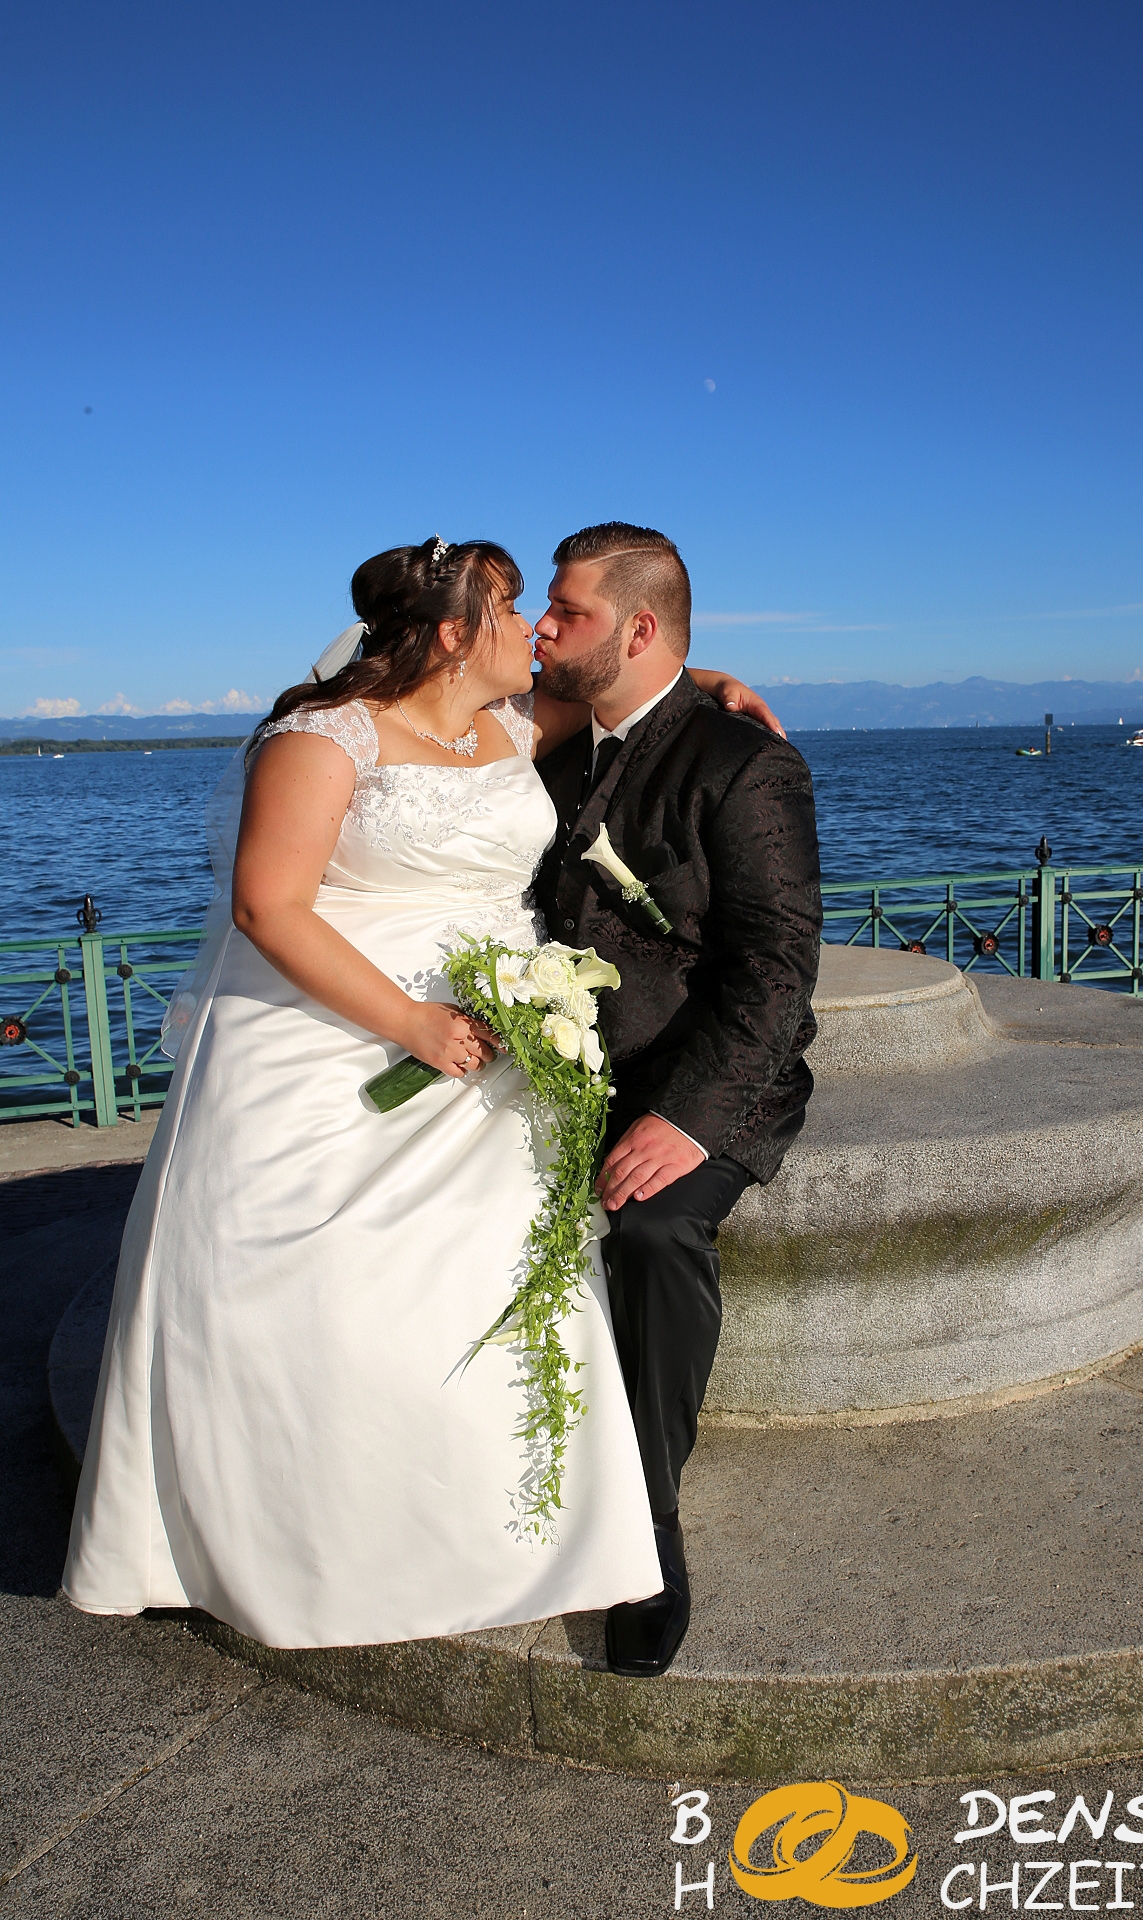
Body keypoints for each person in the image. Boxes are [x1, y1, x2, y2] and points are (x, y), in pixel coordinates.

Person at [62, 535, 782, 1651]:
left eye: (543, 612)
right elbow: (268, 907)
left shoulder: (506, 723)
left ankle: (526, 1530)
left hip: (499, 1049)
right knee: (312, 1296)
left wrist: (703, 682)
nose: (532, 631)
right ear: (452, 633)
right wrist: (409, 1024)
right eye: (510, 611)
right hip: (347, 1035)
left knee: (498, 1288)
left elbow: (628, 685)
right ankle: (270, 1535)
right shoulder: (321, 738)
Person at [532, 523, 823, 1678]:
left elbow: (775, 968)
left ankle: (647, 1526)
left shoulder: (746, 764)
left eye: (565, 613)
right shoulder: (543, 744)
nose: (539, 631)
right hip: (550, 1065)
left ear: (637, 628)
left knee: (649, 1228)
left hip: (700, 1077)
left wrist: (690, 1119)